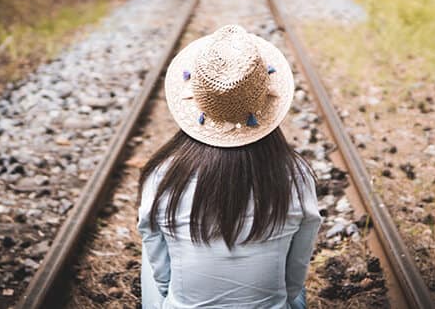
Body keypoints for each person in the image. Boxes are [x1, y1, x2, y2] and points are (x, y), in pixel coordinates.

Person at [138, 24, 322, 308]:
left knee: (151, 253)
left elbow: (163, 279)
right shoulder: (296, 176)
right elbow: (292, 283)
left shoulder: (163, 176)